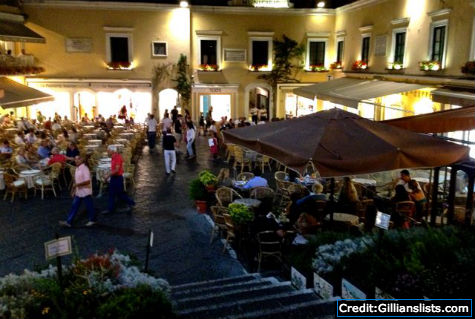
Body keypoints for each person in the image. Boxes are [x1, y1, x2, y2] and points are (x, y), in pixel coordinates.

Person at [59, 155, 96, 227]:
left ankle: (92, 220)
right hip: (79, 191)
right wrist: (74, 190)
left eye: (78, 159)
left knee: (89, 206)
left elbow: (88, 181)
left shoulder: (85, 168)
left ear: (82, 160)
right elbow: (76, 181)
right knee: (74, 206)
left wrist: (77, 185)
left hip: (85, 191)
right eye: (75, 159)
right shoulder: (77, 168)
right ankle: (68, 222)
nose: (76, 160)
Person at [102, 145, 135, 214]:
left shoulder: (117, 157)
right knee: (111, 194)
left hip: (118, 178)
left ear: (113, 151)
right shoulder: (113, 157)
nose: (107, 151)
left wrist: (108, 175)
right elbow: (113, 169)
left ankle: (131, 202)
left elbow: (116, 170)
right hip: (114, 178)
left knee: (120, 194)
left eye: (108, 150)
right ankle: (110, 209)